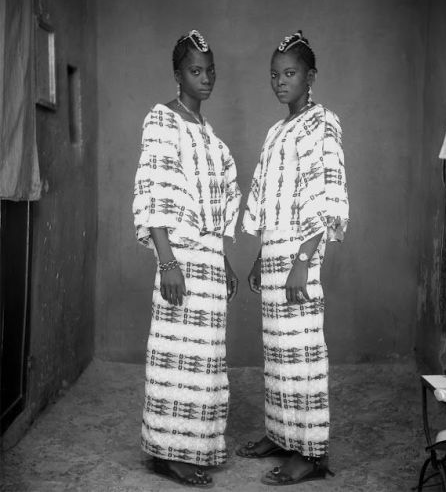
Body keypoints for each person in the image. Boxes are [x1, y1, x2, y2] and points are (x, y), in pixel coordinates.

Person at [239, 30, 349, 486]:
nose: (280, 82)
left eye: (290, 73)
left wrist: (305, 258)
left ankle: (312, 453)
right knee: (278, 353)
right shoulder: (276, 130)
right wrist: (262, 255)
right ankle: (283, 435)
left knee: (303, 353)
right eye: (275, 74)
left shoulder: (324, 123)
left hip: (303, 251)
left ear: (311, 77)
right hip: (276, 250)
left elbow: (326, 192)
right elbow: (267, 198)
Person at [133, 30, 241, 488]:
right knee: (176, 361)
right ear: (177, 75)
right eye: (196, 70)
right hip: (179, 261)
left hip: (210, 264)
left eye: (210, 69)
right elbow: (153, 191)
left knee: (205, 365)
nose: (206, 78)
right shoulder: (161, 121)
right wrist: (168, 262)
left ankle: (185, 447)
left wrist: (225, 261)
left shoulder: (210, 137)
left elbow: (214, 208)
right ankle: (171, 453)